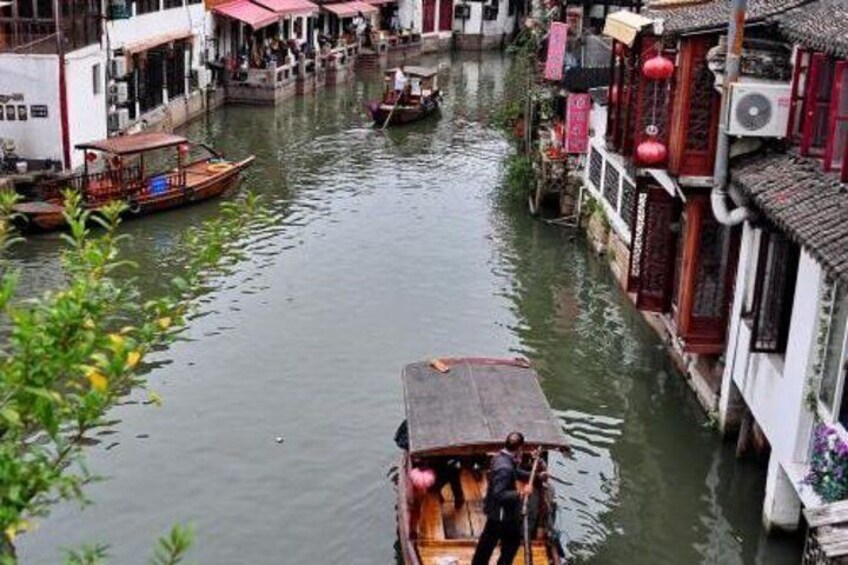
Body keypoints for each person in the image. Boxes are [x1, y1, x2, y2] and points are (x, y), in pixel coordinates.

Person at [471, 432, 545, 565]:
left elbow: (515, 472)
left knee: (487, 544)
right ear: (519, 448)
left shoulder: (501, 458)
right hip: (501, 515)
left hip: (498, 512)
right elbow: (499, 494)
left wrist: (537, 477)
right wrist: (521, 492)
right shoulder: (504, 468)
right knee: (508, 545)